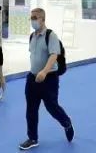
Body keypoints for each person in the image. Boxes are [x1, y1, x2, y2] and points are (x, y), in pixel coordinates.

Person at [20, 8, 74, 150]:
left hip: (48, 79)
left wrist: (44, 71)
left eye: (35, 17)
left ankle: (67, 123)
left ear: (42, 19)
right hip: (32, 78)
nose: (32, 20)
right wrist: (35, 73)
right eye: (31, 18)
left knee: (52, 107)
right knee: (31, 109)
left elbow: (54, 55)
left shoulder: (51, 36)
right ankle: (32, 138)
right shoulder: (32, 36)